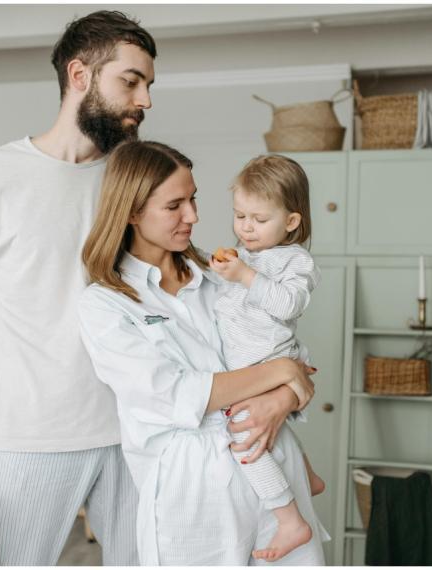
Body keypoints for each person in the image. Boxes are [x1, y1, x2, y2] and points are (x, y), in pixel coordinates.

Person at [0, 11, 156, 565]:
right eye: (131, 81)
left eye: (148, 85)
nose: (145, 100)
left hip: (138, 429)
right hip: (33, 437)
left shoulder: (133, 179)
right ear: (80, 75)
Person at [78, 140, 329, 565]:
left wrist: (283, 395)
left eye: (192, 199)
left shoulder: (223, 276)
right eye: (174, 205)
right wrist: (282, 372)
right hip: (195, 491)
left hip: (272, 465)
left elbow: (293, 367)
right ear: (133, 212)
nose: (193, 215)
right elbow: (173, 395)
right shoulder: (104, 304)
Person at [209, 154, 328, 561]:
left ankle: (290, 519)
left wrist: (244, 275)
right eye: (240, 215)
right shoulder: (246, 255)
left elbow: (288, 304)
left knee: (245, 442)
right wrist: (223, 270)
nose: (246, 227)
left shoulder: (296, 261)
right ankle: (308, 475)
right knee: (270, 436)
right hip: (250, 366)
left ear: (291, 221)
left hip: (267, 363)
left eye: (259, 219)